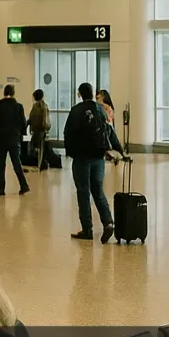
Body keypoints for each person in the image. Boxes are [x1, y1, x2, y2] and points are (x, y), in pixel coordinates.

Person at [63, 83, 116, 242]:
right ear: (93, 94)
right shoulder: (100, 109)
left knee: (83, 192)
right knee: (98, 190)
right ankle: (108, 222)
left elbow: (68, 133)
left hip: (82, 159)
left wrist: (71, 153)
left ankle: (87, 229)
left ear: (80, 93)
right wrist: (118, 150)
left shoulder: (76, 110)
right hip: (98, 157)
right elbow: (109, 131)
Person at [96, 89, 128, 162]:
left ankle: (119, 153)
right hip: (101, 129)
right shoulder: (97, 107)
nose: (98, 98)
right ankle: (115, 153)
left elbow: (108, 119)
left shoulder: (106, 107)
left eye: (100, 96)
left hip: (107, 128)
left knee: (111, 136)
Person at [27, 89, 50, 170]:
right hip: (42, 130)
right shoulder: (45, 106)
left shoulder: (35, 107)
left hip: (36, 130)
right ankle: (41, 164)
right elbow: (46, 120)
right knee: (41, 148)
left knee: (34, 147)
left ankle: (39, 164)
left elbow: (31, 118)